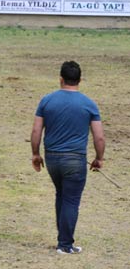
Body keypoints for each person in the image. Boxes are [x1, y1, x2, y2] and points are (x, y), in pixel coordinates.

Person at [30, 61, 105, 255]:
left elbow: (37, 129)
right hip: (75, 160)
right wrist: (99, 158)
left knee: (61, 195)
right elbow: (99, 136)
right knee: (71, 200)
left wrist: (36, 154)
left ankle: (63, 240)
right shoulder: (89, 103)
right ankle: (64, 244)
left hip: (53, 159)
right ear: (80, 80)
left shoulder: (47, 101)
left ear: (61, 79)